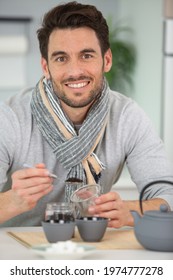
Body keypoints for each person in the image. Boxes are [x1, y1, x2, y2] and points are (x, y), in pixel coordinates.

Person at [0, 1, 173, 228]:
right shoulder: (10, 119)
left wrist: (131, 210)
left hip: (93, 249)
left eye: (87, 55)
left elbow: (168, 196)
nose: (75, 71)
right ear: (46, 67)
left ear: (107, 60)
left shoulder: (127, 117)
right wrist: (11, 201)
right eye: (61, 58)